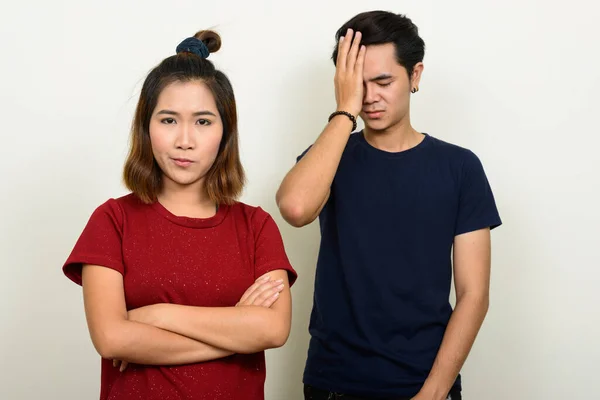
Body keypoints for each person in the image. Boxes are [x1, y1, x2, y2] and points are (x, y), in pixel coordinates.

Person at [276, 11, 501, 400]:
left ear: (415, 76)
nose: (370, 97)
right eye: (357, 84)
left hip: (425, 382)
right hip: (334, 382)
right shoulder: (331, 156)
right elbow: (295, 208)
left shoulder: (459, 167)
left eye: (383, 81)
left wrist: (432, 394)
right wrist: (345, 112)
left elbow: (473, 295)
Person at [62, 29, 297, 400]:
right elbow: (111, 339)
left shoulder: (256, 226)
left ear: (225, 132)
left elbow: (273, 330)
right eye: (168, 120)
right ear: (146, 127)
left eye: (203, 121)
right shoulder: (112, 220)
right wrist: (236, 331)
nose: (184, 140)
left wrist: (155, 315)